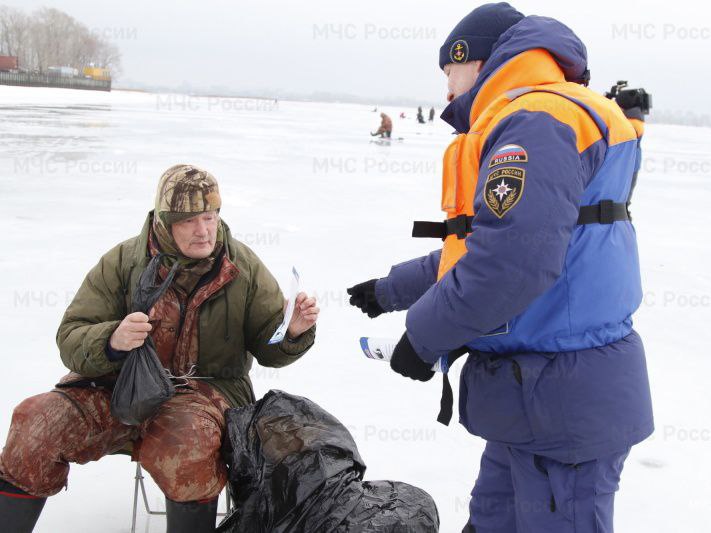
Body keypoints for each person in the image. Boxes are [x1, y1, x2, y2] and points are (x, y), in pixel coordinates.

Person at [347, 3, 653, 532]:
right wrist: (389, 290)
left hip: (561, 406)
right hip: (531, 402)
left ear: (479, 59)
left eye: (449, 71)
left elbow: (512, 264)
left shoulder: (536, 121)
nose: (446, 90)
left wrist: (422, 339)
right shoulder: (541, 113)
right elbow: (479, 246)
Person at [0, 165, 319, 533]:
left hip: (203, 391)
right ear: (165, 222)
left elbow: (269, 348)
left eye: (210, 217)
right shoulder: (124, 261)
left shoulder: (242, 267)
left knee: (186, 445)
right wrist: (112, 340)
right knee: (34, 425)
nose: (203, 230)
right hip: (116, 384)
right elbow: (71, 336)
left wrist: (292, 331)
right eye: (189, 221)